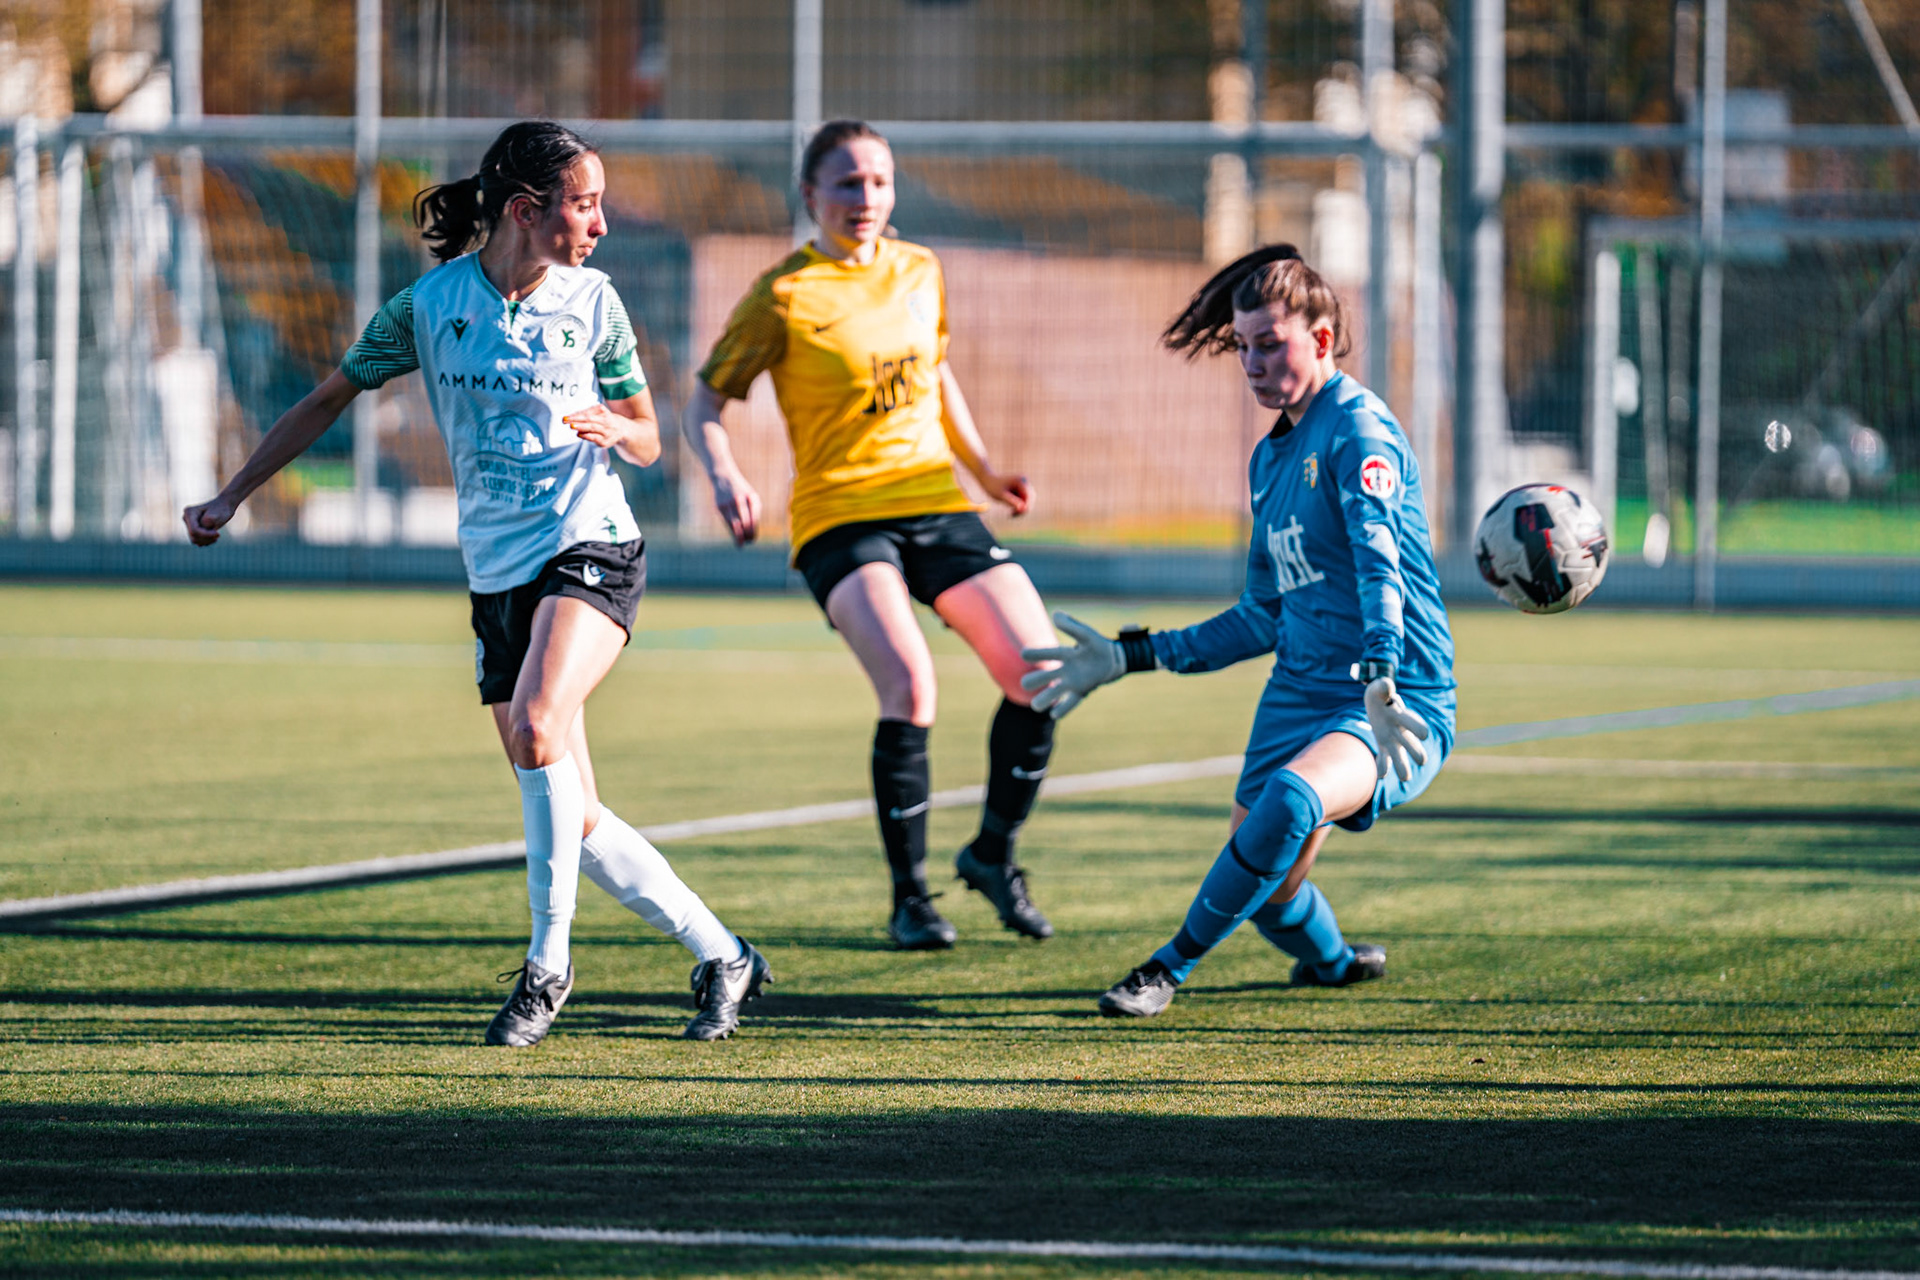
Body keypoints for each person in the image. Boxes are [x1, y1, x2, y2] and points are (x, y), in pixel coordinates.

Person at [182, 121, 769, 1044]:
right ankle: (724, 955)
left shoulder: (595, 302)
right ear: (527, 212)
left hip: (593, 547)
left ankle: (547, 970)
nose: (602, 223)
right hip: (498, 574)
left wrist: (618, 432)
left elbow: (652, 437)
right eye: (587, 204)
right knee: (571, 811)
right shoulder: (426, 308)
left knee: (537, 726)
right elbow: (327, 397)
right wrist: (228, 496)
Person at [1019, 245, 1455, 1017]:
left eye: (1270, 343)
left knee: (1288, 804)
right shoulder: (1269, 459)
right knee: (1269, 888)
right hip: (1299, 689)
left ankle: (1166, 968)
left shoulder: (1360, 432)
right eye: (1243, 346)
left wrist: (1385, 671)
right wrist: (1132, 656)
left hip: (1388, 698)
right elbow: (1262, 616)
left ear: (1321, 341)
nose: (1252, 363)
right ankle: (1330, 963)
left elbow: (1379, 561)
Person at [683, 120, 1060, 950]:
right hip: (839, 516)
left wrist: (988, 472)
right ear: (810, 194)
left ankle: (992, 856)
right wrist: (724, 474)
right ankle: (912, 899)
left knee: (1042, 673)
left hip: (933, 500)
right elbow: (705, 401)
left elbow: (938, 375)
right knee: (912, 686)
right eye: (848, 183)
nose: (867, 198)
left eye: (880, 181)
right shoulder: (784, 294)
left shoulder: (921, 269)